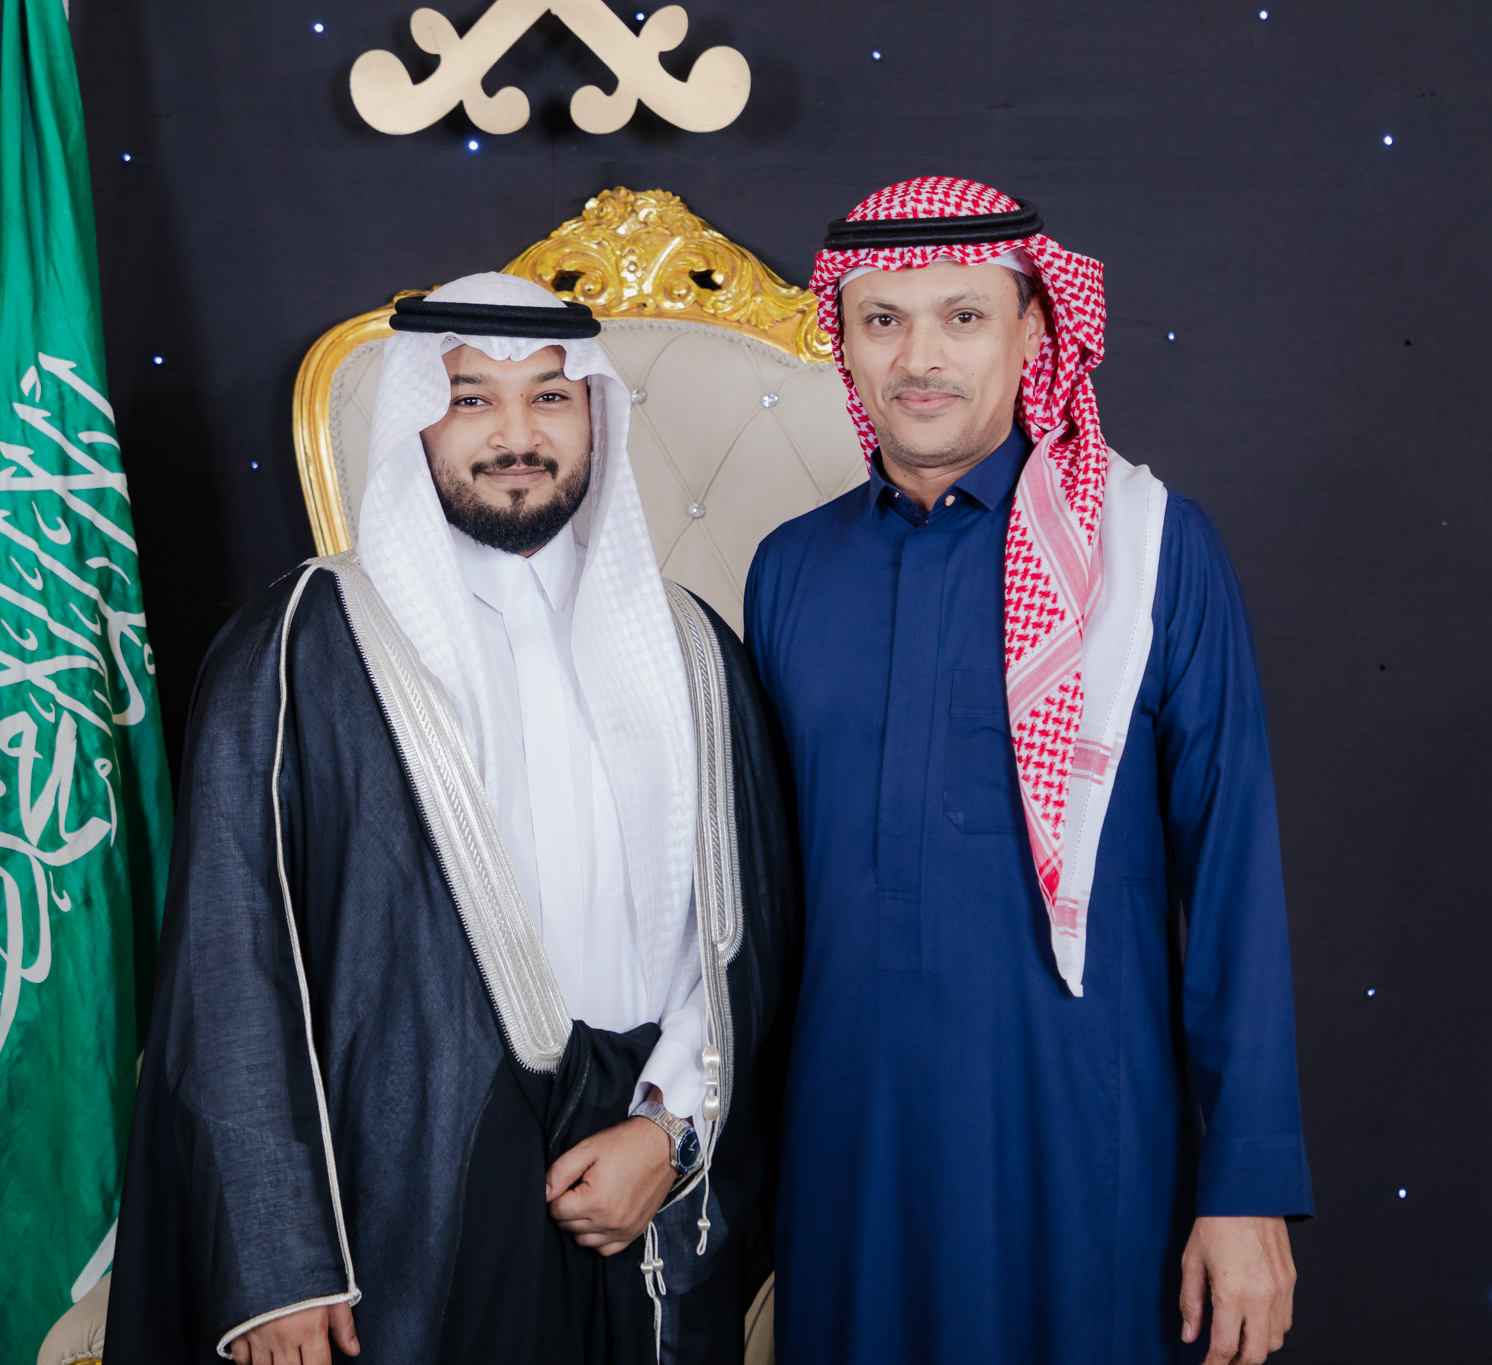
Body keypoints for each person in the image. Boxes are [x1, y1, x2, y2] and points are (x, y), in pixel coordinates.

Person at [105, 273, 796, 1365]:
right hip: (406, 1200)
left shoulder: (693, 650)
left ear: (594, 414)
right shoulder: (300, 647)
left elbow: (746, 939)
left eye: (550, 397)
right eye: (472, 399)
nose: (516, 436)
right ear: (417, 419)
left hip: (645, 1198)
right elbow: (231, 972)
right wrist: (279, 1262)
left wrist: (667, 1133)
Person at [745, 178, 1313, 1365]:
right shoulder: (788, 571)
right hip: (846, 1146)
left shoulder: (1151, 552)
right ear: (842, 342)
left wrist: (1246, 1185)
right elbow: (757, 902)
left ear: (1033, 332)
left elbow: (1231, 878)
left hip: (1078, 1132)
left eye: (962, 317)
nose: (918, 359)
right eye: (882, 320)